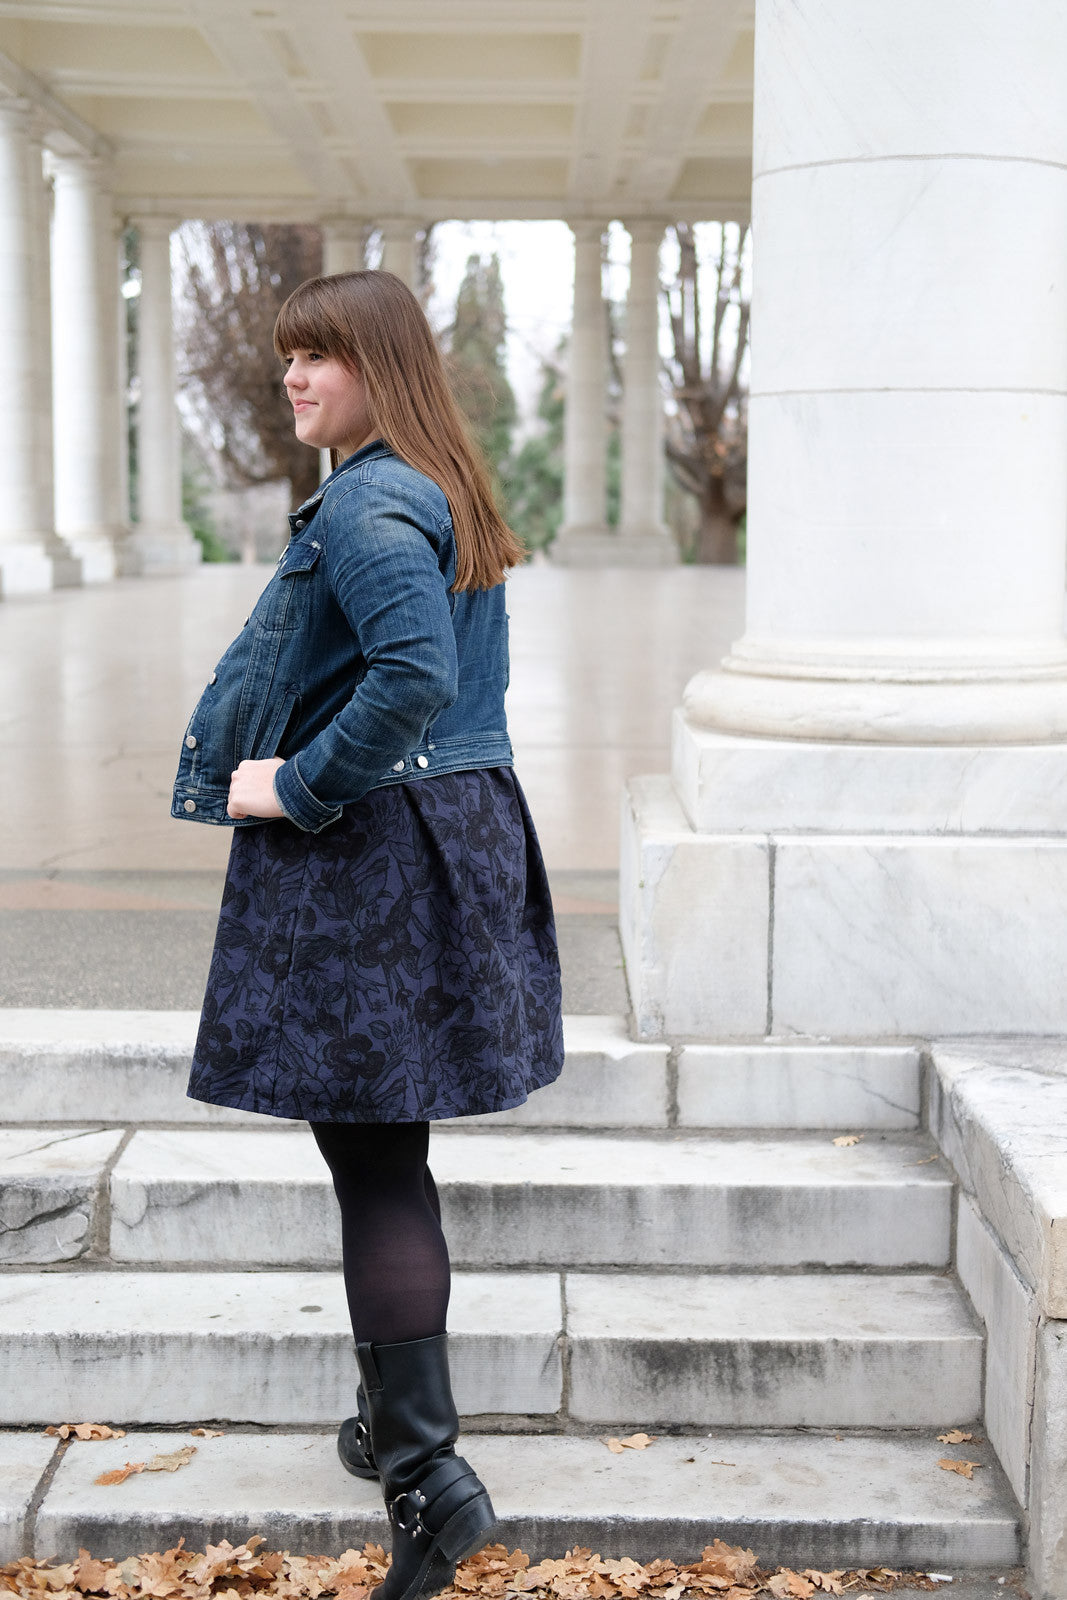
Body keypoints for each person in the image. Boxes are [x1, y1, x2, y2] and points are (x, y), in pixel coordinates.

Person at [171, 269, 565, 1600]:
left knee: (380, 1169)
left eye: (322, 357)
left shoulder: (367, 502)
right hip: (437, 843)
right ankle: (389, 1429)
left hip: (373, 862)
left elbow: (413, 676)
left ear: (378, 369)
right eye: (290, 354)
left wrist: (294, 782)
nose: (295, 377)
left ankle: (429, 1483)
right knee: (384, 1155)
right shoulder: (436, 481)